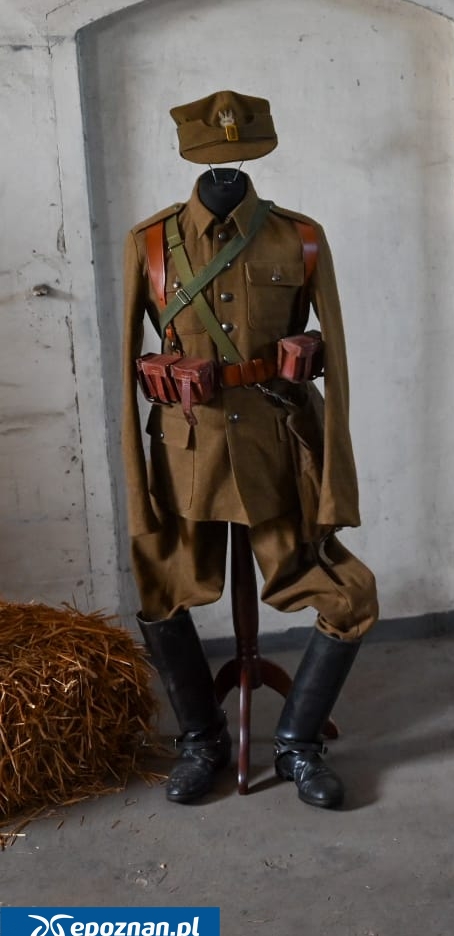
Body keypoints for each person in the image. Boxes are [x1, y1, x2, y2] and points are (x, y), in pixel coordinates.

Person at [121, 89, 378, 810]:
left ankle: (298, 743)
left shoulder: (300, 237)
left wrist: (336, 480)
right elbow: (124, 367)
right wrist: (138, 491)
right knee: (161, 592)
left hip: (277, 451)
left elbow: (338, 360)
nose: (227, 167)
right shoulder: (149, 243)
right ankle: (201, 739)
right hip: (187, 458)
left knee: (348, 596)